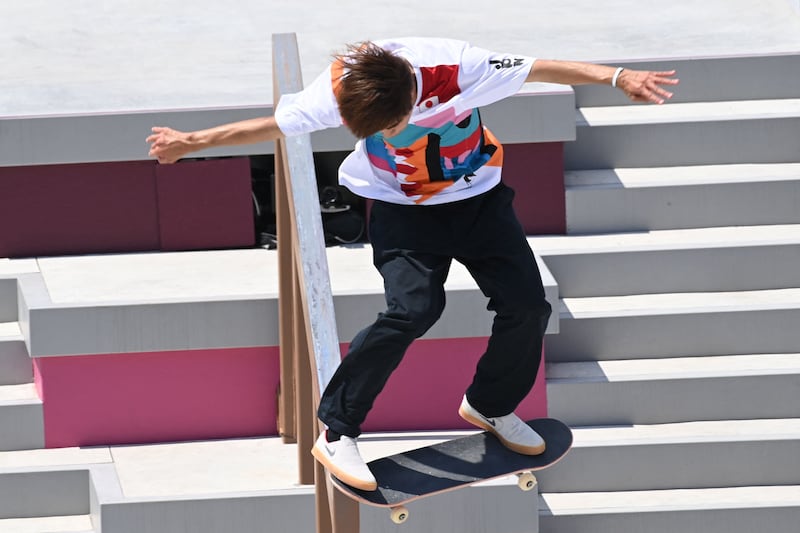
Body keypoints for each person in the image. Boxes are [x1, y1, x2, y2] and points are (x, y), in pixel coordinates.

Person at [147, 37, 678, 491]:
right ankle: (337, 430)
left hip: (479, 201)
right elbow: (274, 126)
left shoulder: (460, 68)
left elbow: (541, 68)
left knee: (527, 306)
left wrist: (617, 77)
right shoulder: (339, 90)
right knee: (413, 310)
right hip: (403, 213)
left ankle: (490, 404)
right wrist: (191, 141)